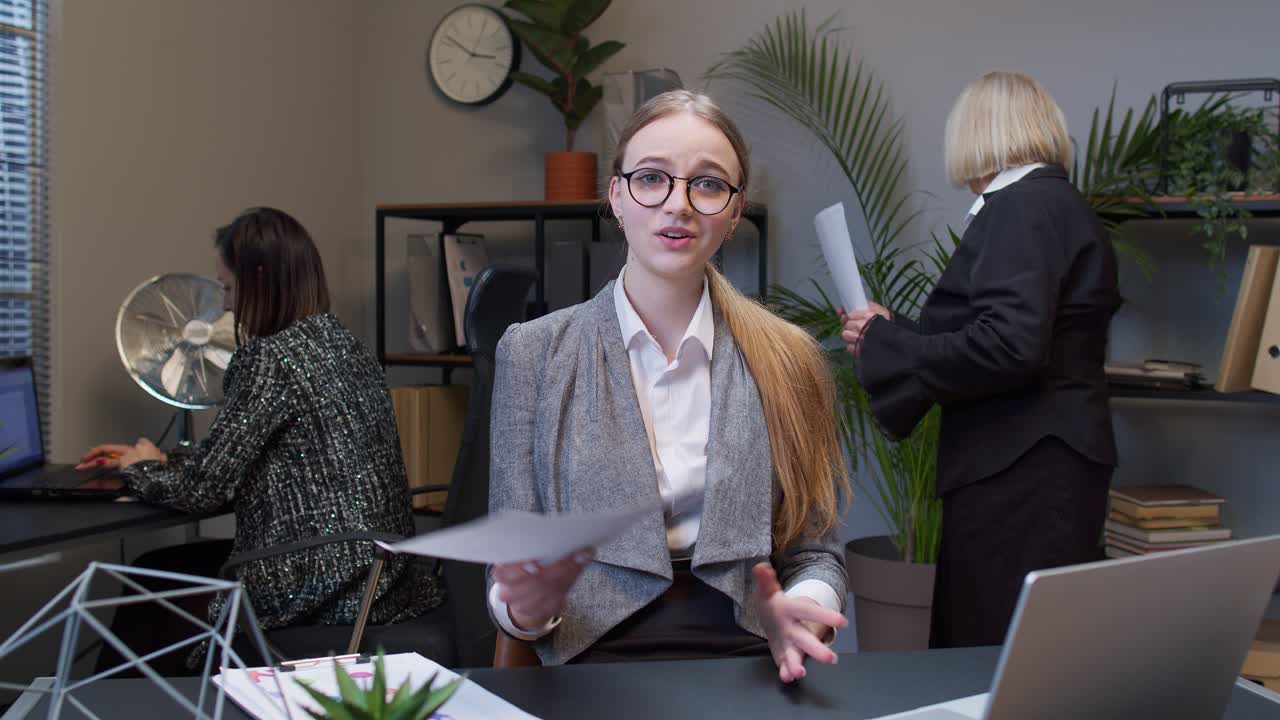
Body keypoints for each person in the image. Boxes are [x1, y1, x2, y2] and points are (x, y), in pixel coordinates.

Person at [485, 90, 850, 682]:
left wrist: (807, 609)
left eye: (707, 185)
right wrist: (524, 609)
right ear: (616, 196)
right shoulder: (534, 353)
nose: (678, 205)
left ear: (734, 212)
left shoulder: (789, 359)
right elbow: (509, 570)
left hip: (751, 658)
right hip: (588, 665)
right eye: (652, 178)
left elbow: (815, 553)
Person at [81, 207, 442, 673]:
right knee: (162, 569)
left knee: (150, 583)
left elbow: (201, 491)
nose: (225, 307)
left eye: (228, 288)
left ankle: (113, 701)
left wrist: (139, 468)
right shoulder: (347, 346)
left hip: (326, 580)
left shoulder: (270, 358)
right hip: (382, 574)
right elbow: (271, 455)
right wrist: (162, 461)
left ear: (258, 280)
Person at [841, 71, 1120, 648]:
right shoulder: (1057, 203)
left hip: (1019, 472)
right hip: (1048, 468)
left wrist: (888, 344)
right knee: (1033, 651)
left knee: (994, 651)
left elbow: (1009, 347)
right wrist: (891, 333)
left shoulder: (1019, 207)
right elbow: (1017, 335)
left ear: (977, 133)